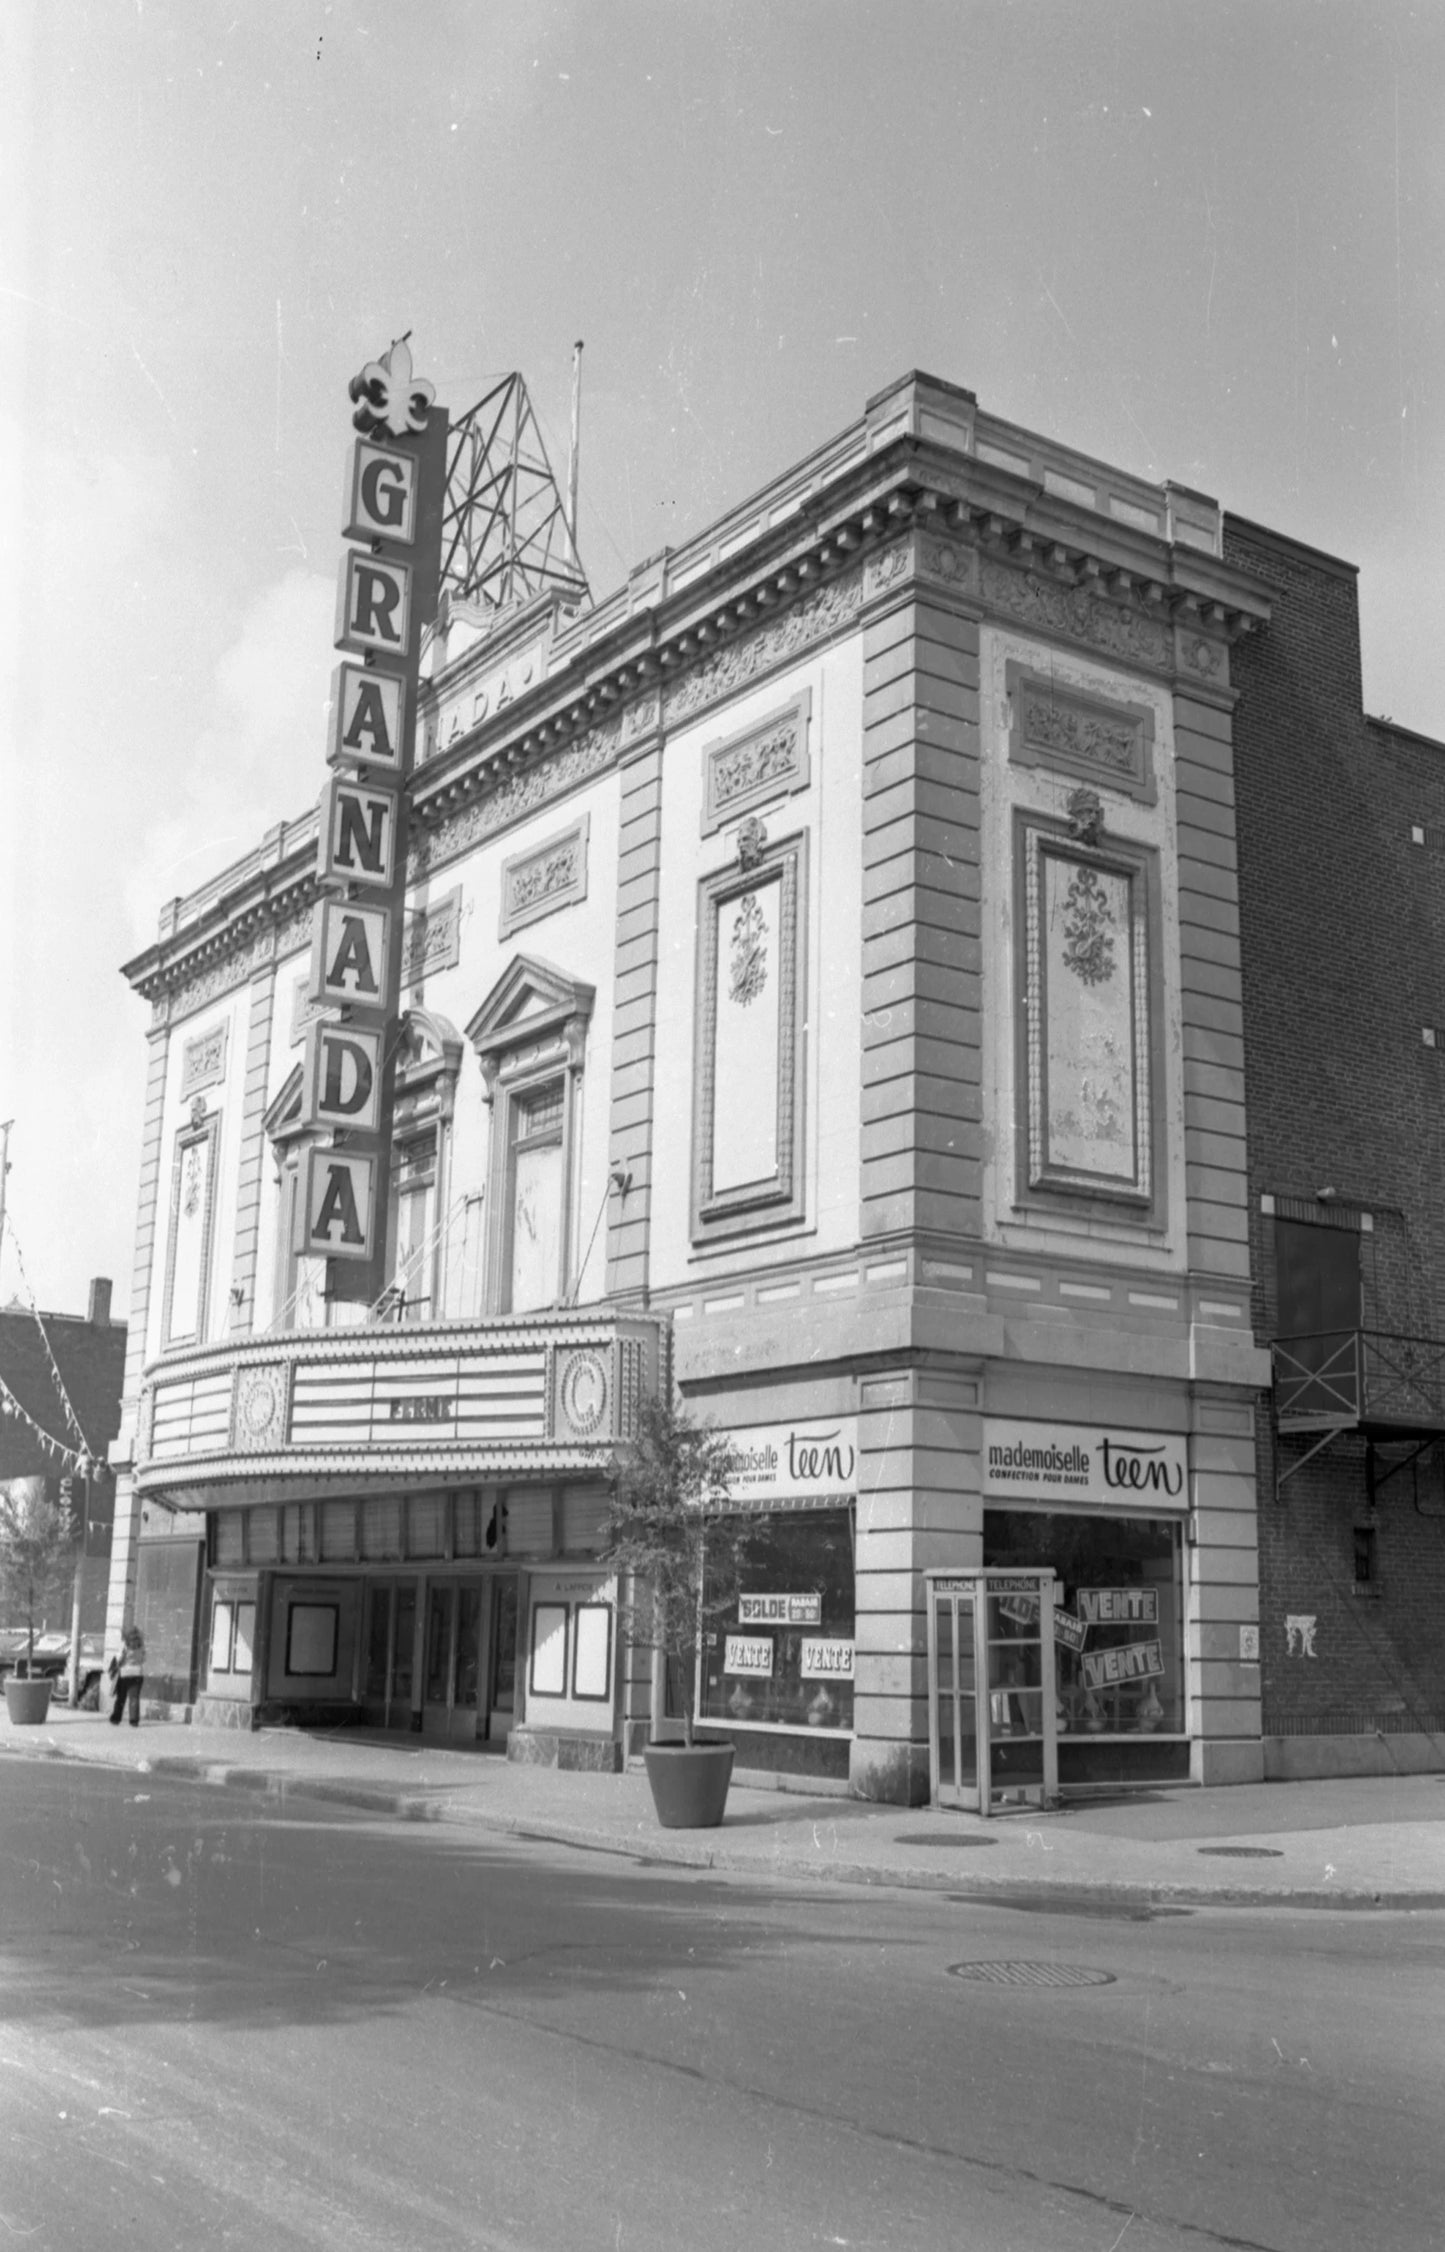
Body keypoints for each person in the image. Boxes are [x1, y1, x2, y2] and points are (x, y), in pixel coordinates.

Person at [108, 1623, 145, 1728]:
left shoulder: (124, 1645)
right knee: (134, 1698)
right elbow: (143, 1659)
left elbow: (119, 1659)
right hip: (138, 1674)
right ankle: (134, 1721)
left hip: (125, 1674)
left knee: (121, 1697)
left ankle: (116, 1718)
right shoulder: (141, 1645)